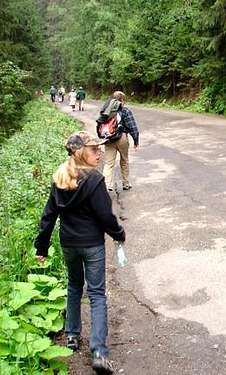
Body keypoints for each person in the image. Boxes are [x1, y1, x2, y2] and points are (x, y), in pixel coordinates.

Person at [34, 131, 123, 374]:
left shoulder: (60, 177)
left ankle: (72, 335)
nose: (99, 152)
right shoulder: (94, 181)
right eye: (94, 149)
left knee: (74, 286)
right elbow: (105, 216)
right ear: (80, 152)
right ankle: (99, 352)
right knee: (96, 294)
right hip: (92, 244)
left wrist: (41, 247)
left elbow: (48, 215)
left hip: (69, 244)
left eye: (99, 149)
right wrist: (118, 234)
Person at [102, 91, 139, 192]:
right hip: (121, 137)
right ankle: (126, 183)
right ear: (122, 100)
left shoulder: (107, 110)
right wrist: (136, 141)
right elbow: (133, 127)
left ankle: (107, 184)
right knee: (124, 160)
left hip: (109, 138)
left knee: (109, 163)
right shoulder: (125, 110)